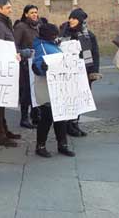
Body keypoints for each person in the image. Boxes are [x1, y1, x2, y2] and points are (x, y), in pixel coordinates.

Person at [0, 0, 31, 147]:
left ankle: (4, 130)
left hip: (6, 67)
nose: (10, 10)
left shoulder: (3, 23)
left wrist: (18, 53)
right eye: (7, 7)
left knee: (2, 102)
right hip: (0, 70)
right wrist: (17, 53)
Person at [31, 22, 75, 158]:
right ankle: (40, 146)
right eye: (54, 34)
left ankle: (62, 144)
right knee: (47, 117)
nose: (56, 36)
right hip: (46, 87)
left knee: (60, 117)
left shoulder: (51, 45)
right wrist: (41, 68)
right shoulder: (41, 47)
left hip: (57, 86)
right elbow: (36, 66)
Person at [59, 8, 101, 137]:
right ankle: (67, 124)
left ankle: (75, 123)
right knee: (69, 98)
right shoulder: (63, 34)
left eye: (74, 18)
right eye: (70, 17)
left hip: (84, 72)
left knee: (80, 100)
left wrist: (94, 72)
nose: (71, 20)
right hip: (68, 73)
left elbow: (95, 54)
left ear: (80, 20)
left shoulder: (89, 35)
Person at [13, 5, 40, 129]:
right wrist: (24, 52)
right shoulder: (20, 27)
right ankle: (24, 118)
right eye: (32, 12)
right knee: (26, 92)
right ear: (26, 14)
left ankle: (35, 116)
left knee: (36, 90)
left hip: (36, 63)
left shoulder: (38, 26)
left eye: (36, 12)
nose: (35, 14)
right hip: (24, 64)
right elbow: (14, 46)